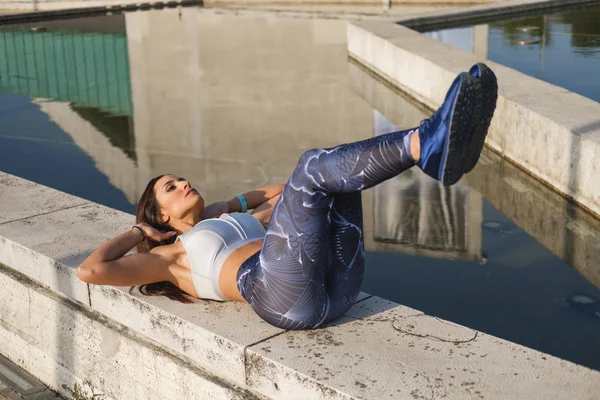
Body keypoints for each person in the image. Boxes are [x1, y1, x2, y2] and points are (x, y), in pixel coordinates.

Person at [77, 63, 498, 330]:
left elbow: (281, 195)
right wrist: (138, 231)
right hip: (282, 298)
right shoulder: (169, 260)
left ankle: (433, 145)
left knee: (334, 178)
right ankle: (426, 144)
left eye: (182, 178)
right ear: (162, 215)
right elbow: (91, 272)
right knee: (314, 166)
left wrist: (233, 205)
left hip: (335, 283)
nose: (185, 183)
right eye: (172, 187)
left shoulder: (233, 219)